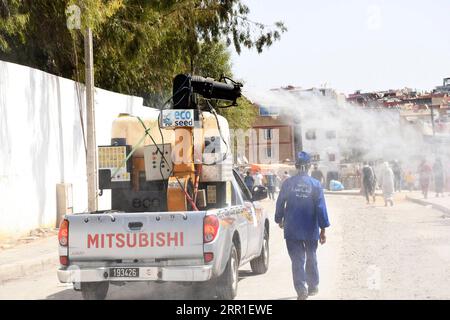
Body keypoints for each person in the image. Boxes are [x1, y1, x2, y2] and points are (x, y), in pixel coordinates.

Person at [275, 151, 330, 300]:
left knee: (297, 259)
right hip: (310, 228)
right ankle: (313, 286)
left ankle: (301, 290)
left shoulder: (288, 183)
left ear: (296, 166)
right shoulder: (315, 184)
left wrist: (279, 219)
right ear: (309, 166)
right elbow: (321, 208)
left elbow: (280, 202)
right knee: (311, 256)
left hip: (292, 228)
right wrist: (323, 230)